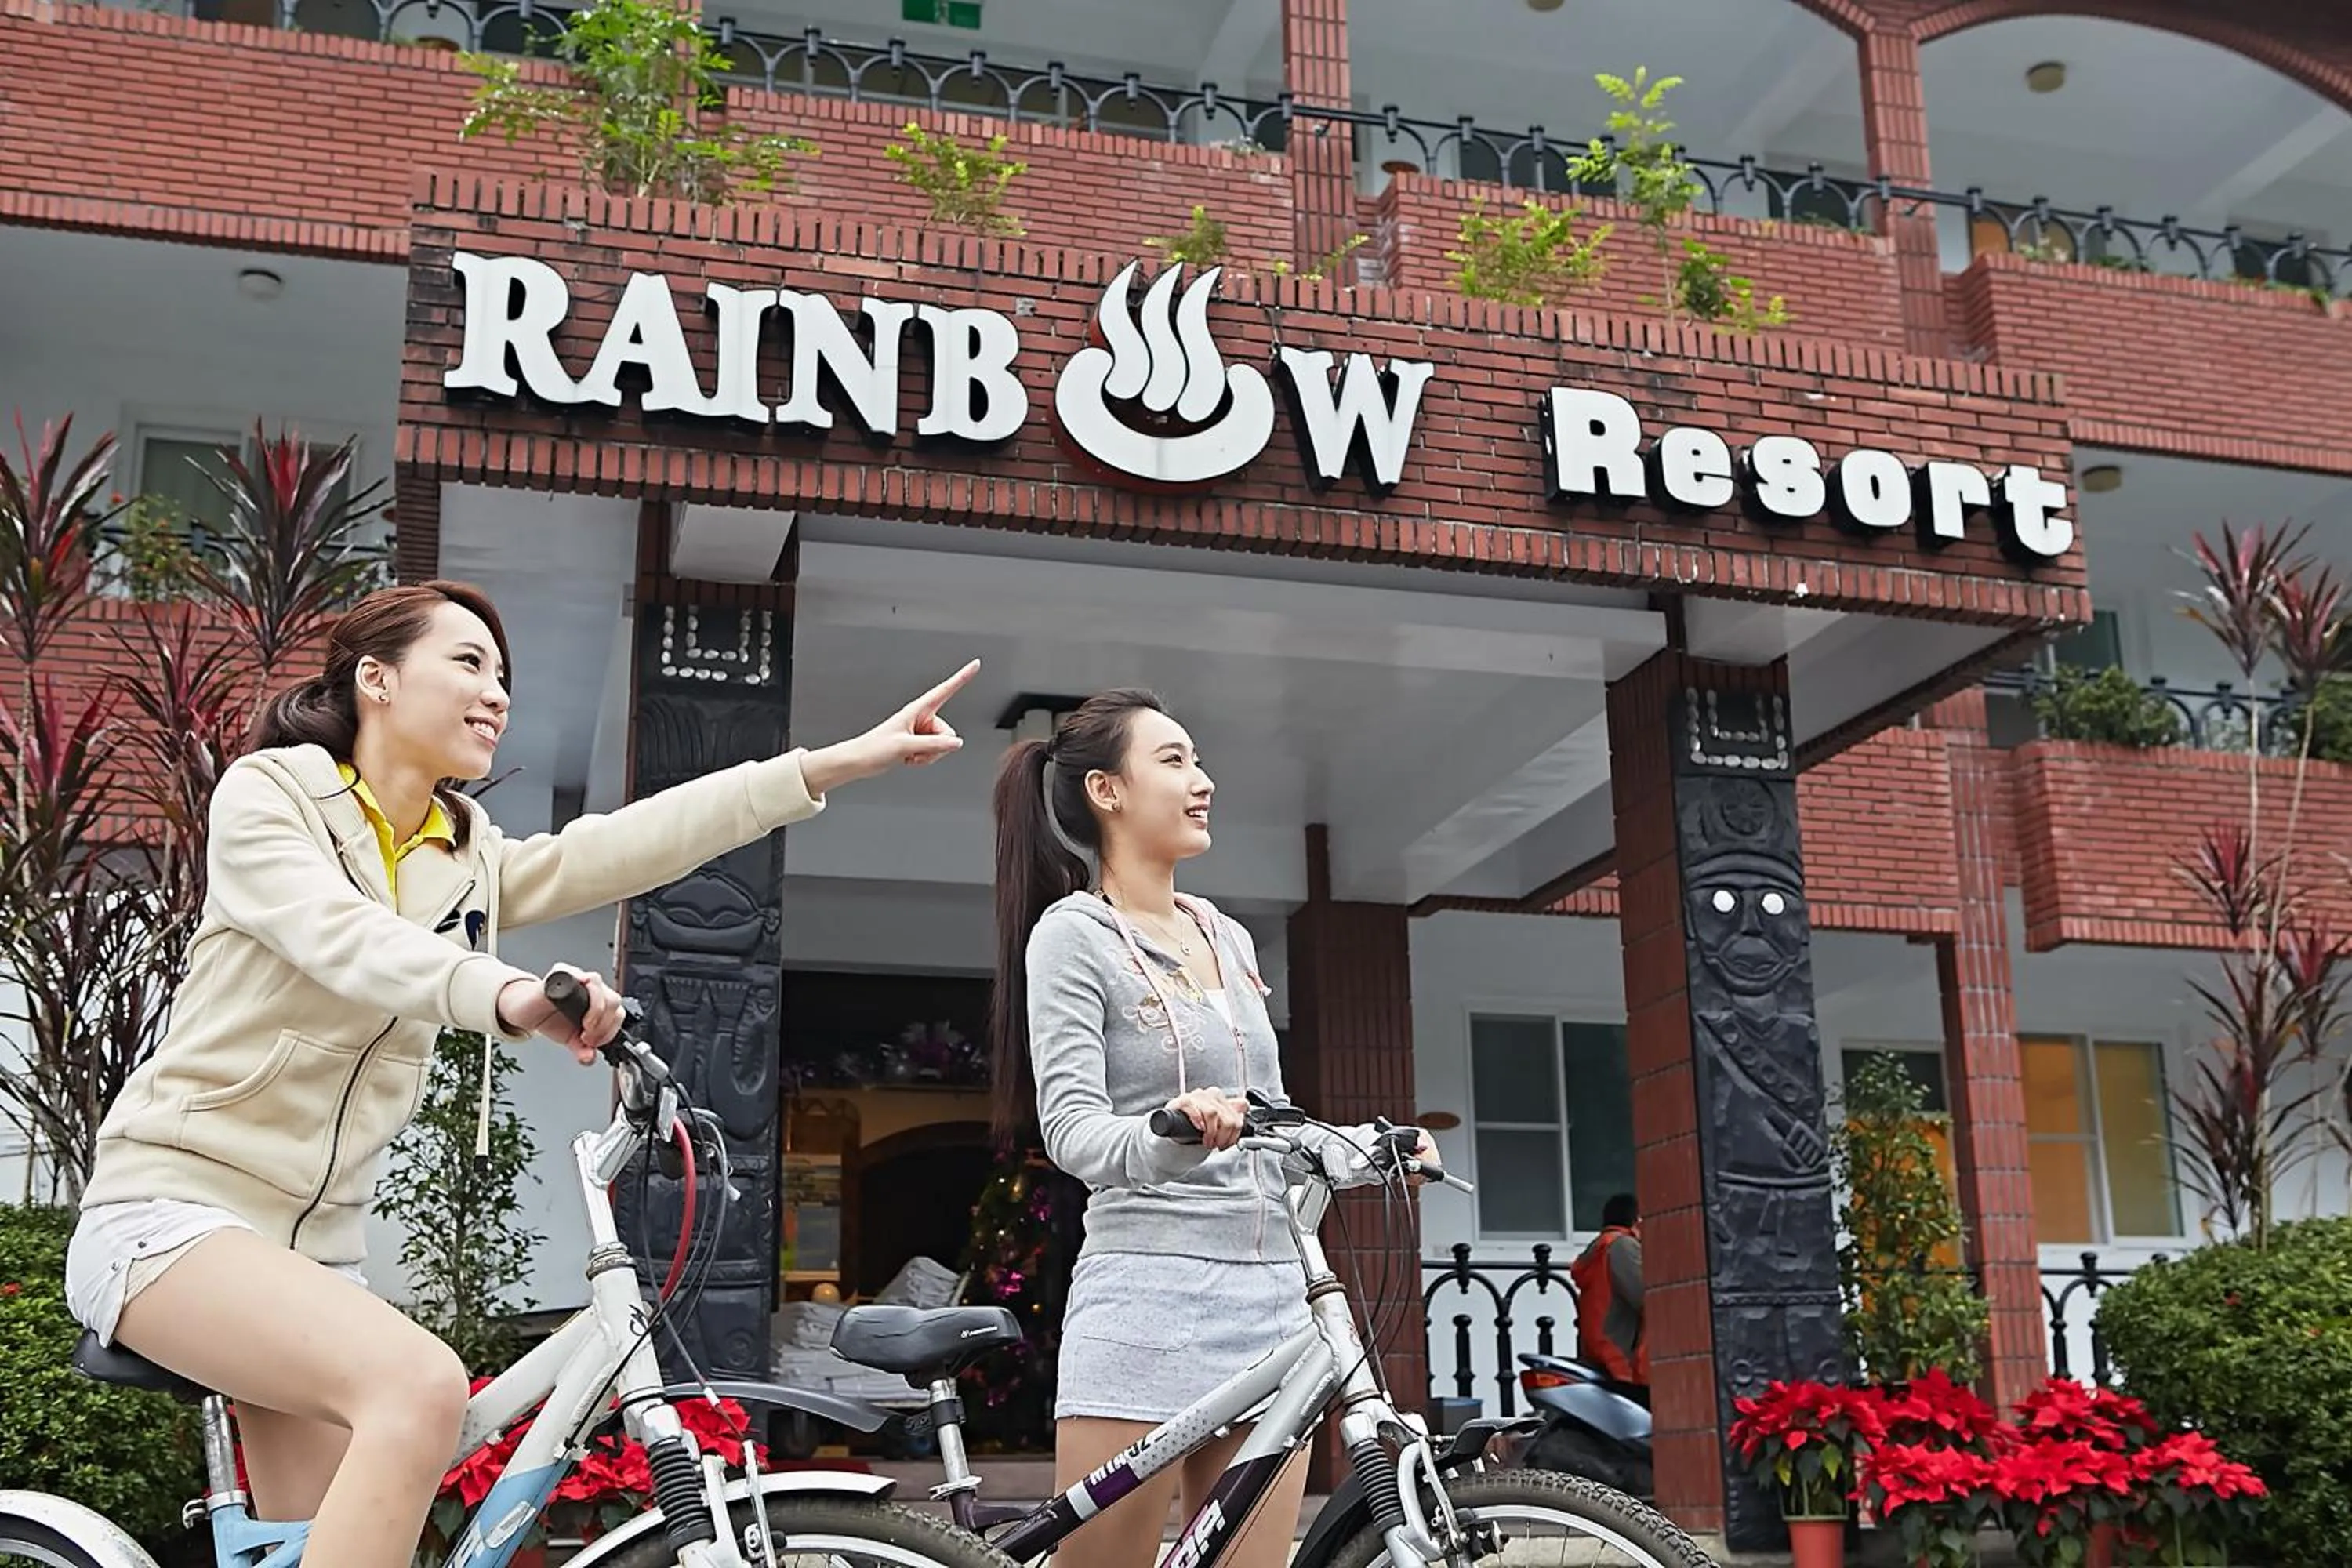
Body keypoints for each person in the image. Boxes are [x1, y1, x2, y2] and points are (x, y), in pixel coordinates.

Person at [62, 580, 978, 1568]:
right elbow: (340, 936)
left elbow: (628, 842)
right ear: (375, 678)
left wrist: (834, 761)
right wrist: (504, 993)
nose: (496, 692)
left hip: (316, 1255)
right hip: (171, 1216)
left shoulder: (465, 856)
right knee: (419, 1386)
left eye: (504, 677)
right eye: (467, 663)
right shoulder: (273, 794)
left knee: (333, 1547)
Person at [989, 687, 1436, 1568]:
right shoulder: (1074, 935)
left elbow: (1270, 1120)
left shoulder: (1224, 933)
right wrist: (1173, 1129)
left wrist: (1367, 1151)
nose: (1204, 781)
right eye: (1175, 760)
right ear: (1107, 791)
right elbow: (1075, 1131)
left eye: (1197, 761)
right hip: (1145, 1293)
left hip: (1273, 1295)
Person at [1570, 1192, 1648, 1391]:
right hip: (1619, 1351)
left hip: (1600, 1346)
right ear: (1635, 1219)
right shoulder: (1622, 1246)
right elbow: (1645, 1297)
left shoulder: (1600, 1247)